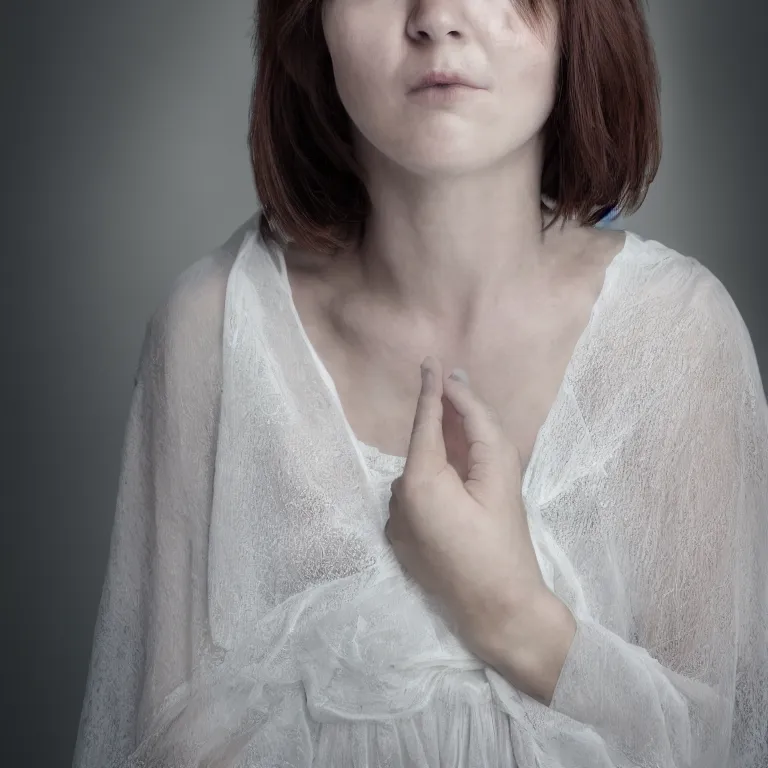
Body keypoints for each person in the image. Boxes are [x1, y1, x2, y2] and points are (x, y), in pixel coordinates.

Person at [72, 0, 768, 766]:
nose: (437, 17)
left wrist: (508, 610)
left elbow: (721, 744)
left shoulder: (673, 340)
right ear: (312, 23)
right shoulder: (213, 332)